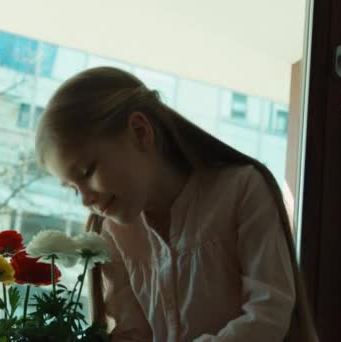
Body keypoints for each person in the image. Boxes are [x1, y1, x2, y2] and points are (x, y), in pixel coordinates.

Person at [34, 67, 317, 341]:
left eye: (87, 172)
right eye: (73, 189)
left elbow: (269, 312)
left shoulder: (241, 189)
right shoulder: (113, 234)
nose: (86, 200)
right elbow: (134, 334)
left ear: (139, 131)